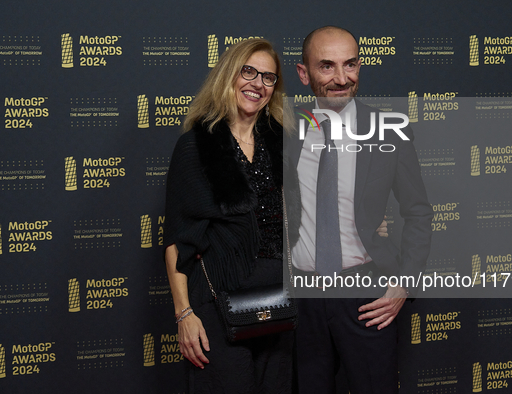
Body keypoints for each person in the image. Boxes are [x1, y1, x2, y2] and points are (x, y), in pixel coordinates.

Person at [286, 26, 433, 393]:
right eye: (327, 67)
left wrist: (403, 284)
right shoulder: (283, 130)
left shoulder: (390, 131)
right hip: (301, 300)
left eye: (350, 65)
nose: (341, 79)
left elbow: (418, 211)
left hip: (366, 295)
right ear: (304, 73)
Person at [163, 38, 297, 394]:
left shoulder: (283, 144)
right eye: (249, 71)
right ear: (229, 75)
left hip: (278, 304)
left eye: (269, 77)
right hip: (218, 305)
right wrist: (184, 314)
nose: (258, 84)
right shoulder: (196, 145)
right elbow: (178, 240)